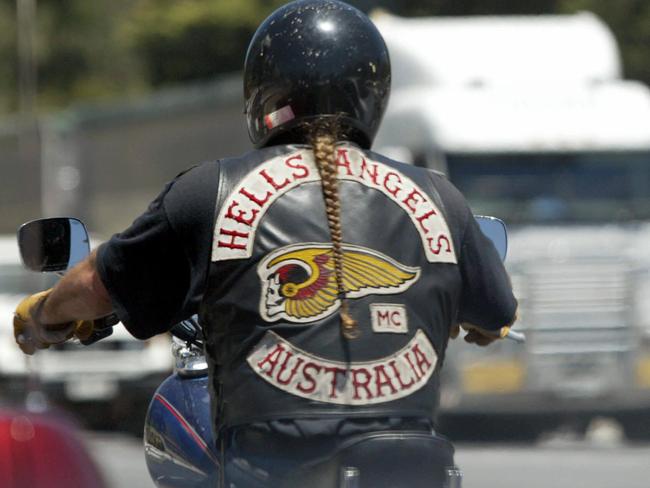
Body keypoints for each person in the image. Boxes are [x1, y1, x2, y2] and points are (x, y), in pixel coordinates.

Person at [14, 0, 517, 486]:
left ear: (263, 92)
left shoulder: (210, 192)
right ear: (373, 94)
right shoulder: (439, 199)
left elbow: (99, 282)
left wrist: (44, 316)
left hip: (275, 472)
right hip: (413, 469)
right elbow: (496, 312)